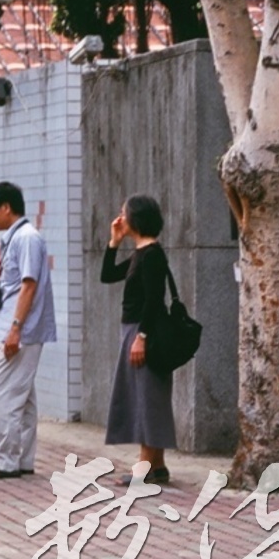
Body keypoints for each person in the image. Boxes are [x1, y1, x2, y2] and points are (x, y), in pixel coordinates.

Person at [0, 182, 55, 480]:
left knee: (0, 395)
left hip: (20, 331)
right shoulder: (16, 238)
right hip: (12, 327)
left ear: (7, 208)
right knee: (23, 399)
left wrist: (15, 329)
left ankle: (5, 460)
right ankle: (22, 458)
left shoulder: (26, 238)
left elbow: (28, 284)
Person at [101, 195, 175, 485]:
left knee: (147, 396)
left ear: (136, 218)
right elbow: (107, 275)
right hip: (136, 330)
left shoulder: (153, 254)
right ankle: (157, 465)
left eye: (124, 213)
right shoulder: (141, 253)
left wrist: (141, 337)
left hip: (145, 331)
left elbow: (155, 300)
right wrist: (114, 241)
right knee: (146, 394)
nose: (120, 217)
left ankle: (146, 465)